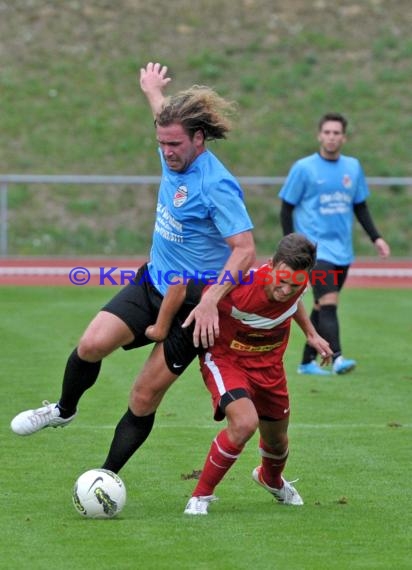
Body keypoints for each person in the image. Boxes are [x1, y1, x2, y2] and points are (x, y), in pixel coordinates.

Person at [10, 62, 256, 477]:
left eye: (174, 144)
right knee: (90, 345)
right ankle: (63, 410)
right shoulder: (173, 147)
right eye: (161, 143)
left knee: (143, 396)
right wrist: (151, 90)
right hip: (153, 282)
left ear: (199, 140)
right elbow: (164, 116)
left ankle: (104, 477)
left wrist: (213, 299)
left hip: (193, 308)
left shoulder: (216, 184)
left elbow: (245, 249)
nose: (166, 152)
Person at [145, 233, 333, 514]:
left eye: (294, 283)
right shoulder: (241, 285)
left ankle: (270, 479)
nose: (285, 289)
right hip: (227, 359)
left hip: (269, 366)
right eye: (281, 280)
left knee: (277, 441)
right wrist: (162, 328)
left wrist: (311, 333)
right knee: (244, 424)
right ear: (271, 265)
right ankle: (200, 497)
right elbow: (185, 286)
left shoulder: (298, 282)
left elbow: (294, 304)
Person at [278, 112, 390, 376]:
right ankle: (337, 357)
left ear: (344, 137)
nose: (331, 137)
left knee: (319, 306)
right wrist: (290, 246)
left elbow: (360, 206)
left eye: (336, 133)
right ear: (319, 135)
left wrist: (377, 238)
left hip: (343, 252)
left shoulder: (353, 167)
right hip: (315, 252)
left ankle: (306, 363)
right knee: (329, 302)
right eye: (327, 132)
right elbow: (286, 208)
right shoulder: (304, 168)